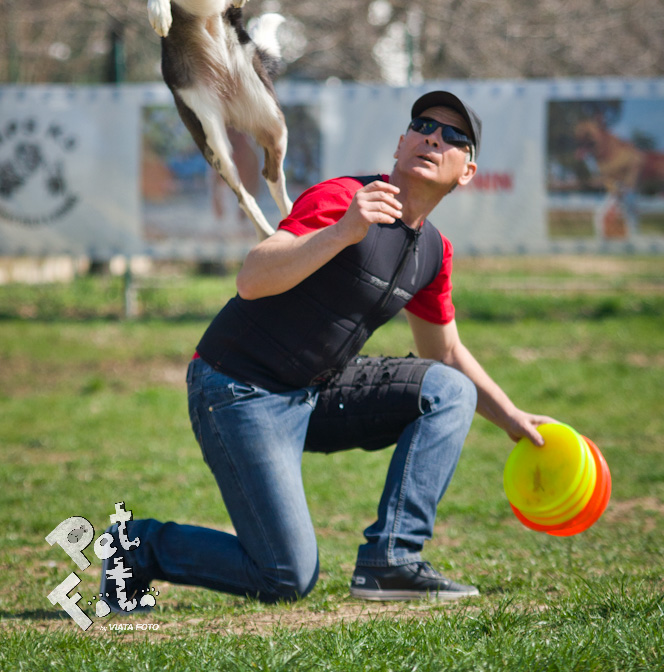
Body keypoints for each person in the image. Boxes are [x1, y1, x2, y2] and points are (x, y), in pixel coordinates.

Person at [101, 90, 554, 610]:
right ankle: (135, 547)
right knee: (286, 576)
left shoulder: (433, 251)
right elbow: (252, 278)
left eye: (453, 136)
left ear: (467, 171)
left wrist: (513, 419)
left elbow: (446, 352)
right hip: (238, 388)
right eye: (424, 125)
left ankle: (392, 560)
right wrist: (345, 231)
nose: (434, 136)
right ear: (400, 145)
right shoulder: (343, 198)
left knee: (449, 390)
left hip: (317, 389)